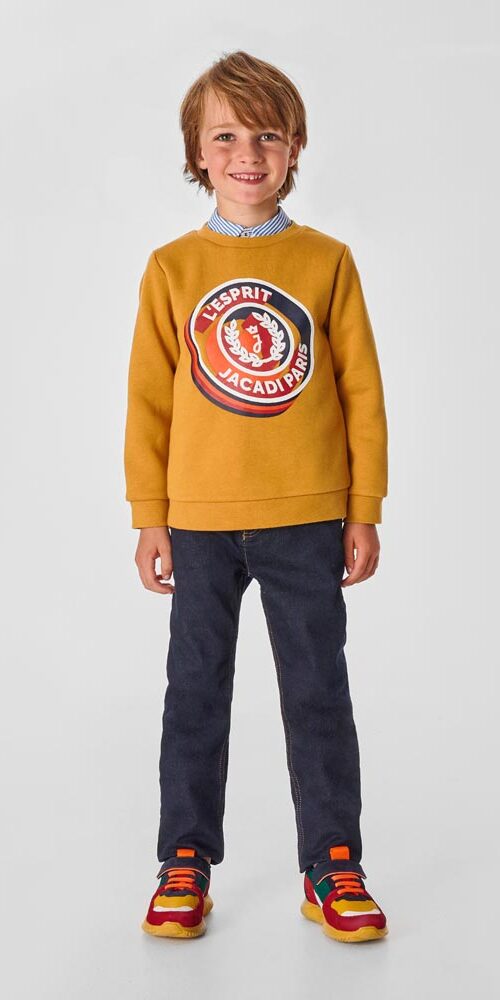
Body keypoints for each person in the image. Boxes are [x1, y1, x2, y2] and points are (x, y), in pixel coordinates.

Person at [124, 49, 389, 944]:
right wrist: (149, 517)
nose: (248, 154)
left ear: (296, 147)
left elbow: (361, 393)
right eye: (226, 136)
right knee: (195, 692)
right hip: (198, 523)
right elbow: (149, 401)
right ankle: (184, 860)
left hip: (306, 516)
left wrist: (363, 507)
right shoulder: (171, 268)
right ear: (196, 153)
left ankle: (334, 863)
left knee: (317, 692)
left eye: (268, 136)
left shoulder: (327, 262)